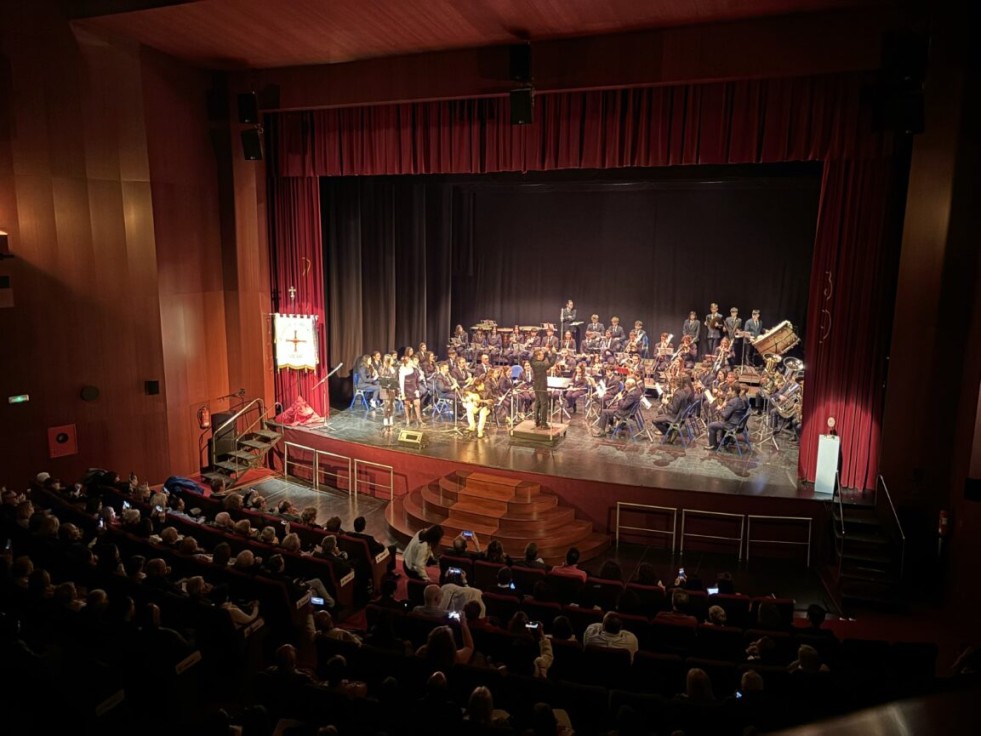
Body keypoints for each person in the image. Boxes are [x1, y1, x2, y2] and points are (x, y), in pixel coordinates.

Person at [707, 382, 749, 450]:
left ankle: (713, 445)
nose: (728, 393)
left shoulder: (732, 402)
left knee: (711, 426)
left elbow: (725, 416)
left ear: (734, 391)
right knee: (718, 422)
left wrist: (719, 409)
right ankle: (723, 441)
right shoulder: (740, 400)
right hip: (738, 424)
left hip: (731, 425)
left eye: (729, 391)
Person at [529, 347, 557, 429]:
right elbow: (551, 364)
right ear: (538, 356)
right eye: (541, 355)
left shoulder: (533, 362)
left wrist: (547, 352)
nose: (543, 356)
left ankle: (537, 421)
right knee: (544, 403)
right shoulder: (540, 364)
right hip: (541, 386)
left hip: (536, 385)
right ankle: (544, 423)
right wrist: (554, 354)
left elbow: (541, 356)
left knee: (537, 402)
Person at [398, 355, 425, 426]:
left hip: (414, 389)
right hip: (406, 389)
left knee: (417, 404)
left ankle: (419, 419)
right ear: (406, 363)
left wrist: (417, 390)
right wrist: (402, 393)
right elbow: (401, 383)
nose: (411, 363)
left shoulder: (414, 369)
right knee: (407, 405)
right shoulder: (402, 370)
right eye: (409, 362)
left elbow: (417, 381)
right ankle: (407, 420)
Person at [377, 353, 399, 427]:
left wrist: (392, 370)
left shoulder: (392, 368)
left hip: (392, 388)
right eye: (391, 360)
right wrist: (385, 378)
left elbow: (395, 377)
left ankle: (391, 417)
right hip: (384, 388)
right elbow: (380, 377)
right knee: (386, 403)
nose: (393, 361)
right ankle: (385, 418)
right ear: (388, 360)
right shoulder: (381, 368)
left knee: (392, 403)